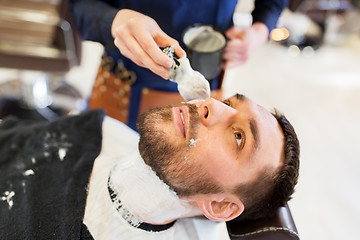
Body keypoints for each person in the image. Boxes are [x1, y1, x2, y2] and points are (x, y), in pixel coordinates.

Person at [0, 94, 299, 239]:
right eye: (228, 102)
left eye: (238, 136)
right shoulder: (105, 129)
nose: (211, 104)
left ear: (220, 206)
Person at [69, 0, 289, 130]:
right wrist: (113, 20)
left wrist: (261, 29)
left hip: (209, 83)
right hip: (126, 85)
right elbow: (80, 5)